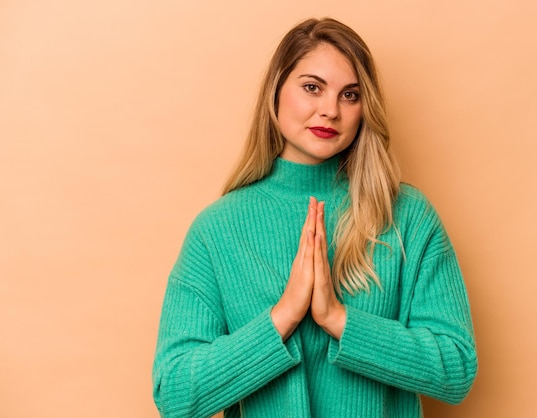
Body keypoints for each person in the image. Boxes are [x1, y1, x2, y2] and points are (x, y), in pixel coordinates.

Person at [152, 17, 477, 418]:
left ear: (364, 109)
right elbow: (175, 395)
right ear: (276, 93)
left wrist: (339, 320)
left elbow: (457, 368)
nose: (330, 111)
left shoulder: (407, 216)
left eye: (350, 95)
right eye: (312, 88)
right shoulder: (216, 229)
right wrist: (282, 317)